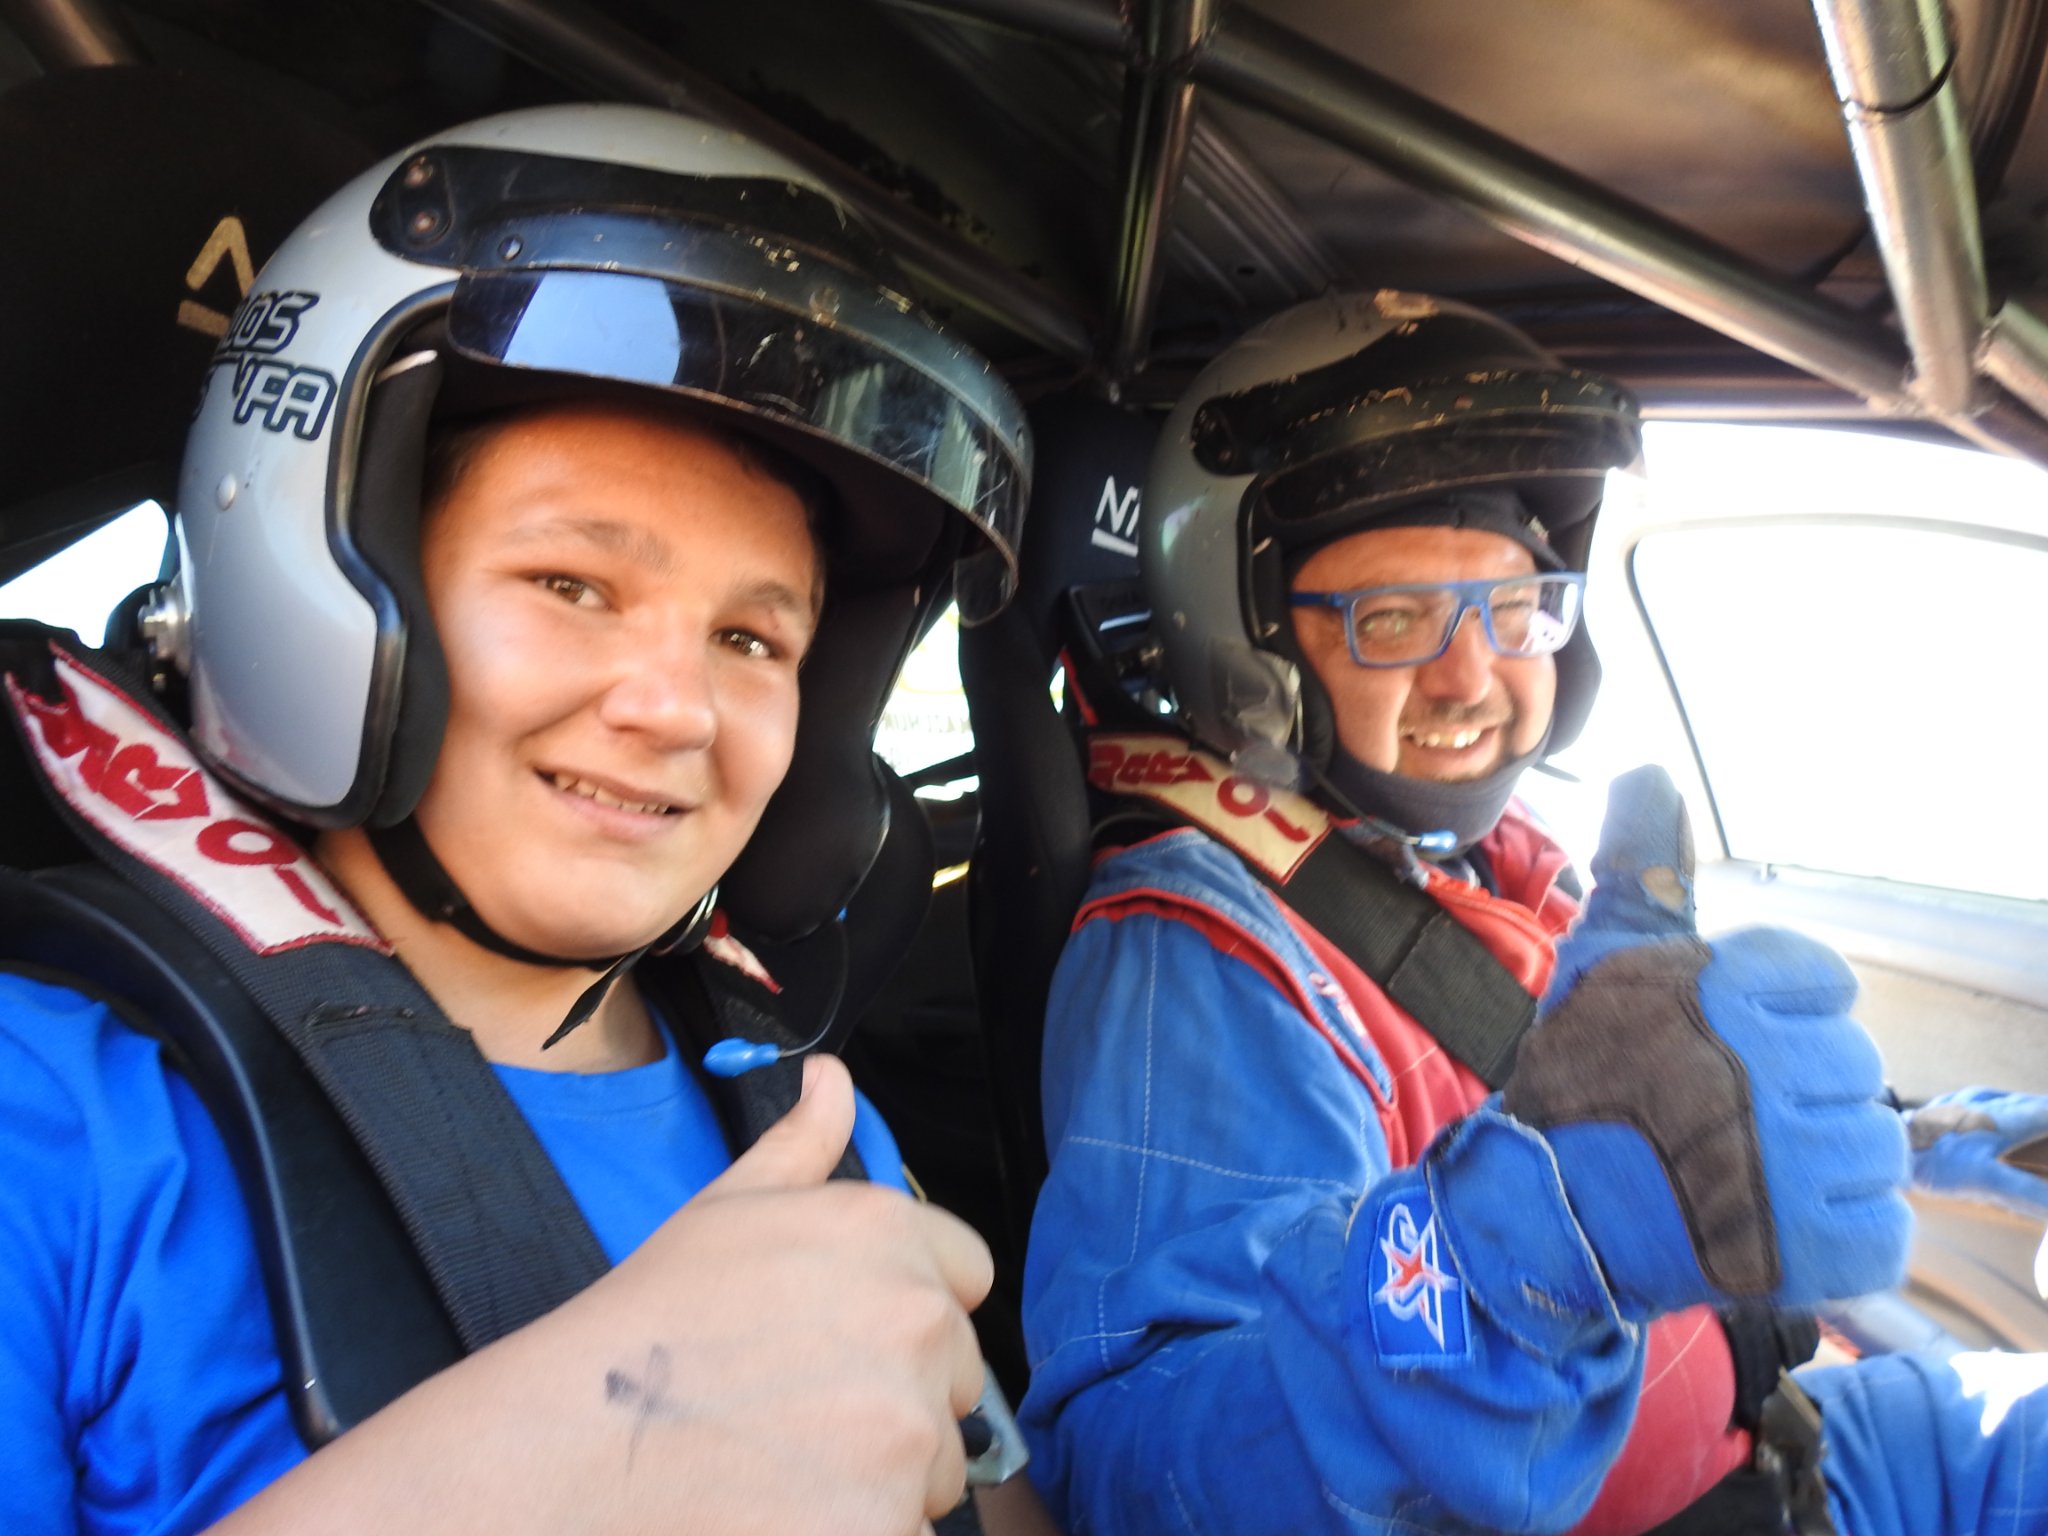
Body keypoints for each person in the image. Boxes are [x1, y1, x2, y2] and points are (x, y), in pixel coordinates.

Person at [0, 103, 1038, 1535]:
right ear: (335, 587)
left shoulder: (807, 1121)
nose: (676, 709)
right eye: (572, 586)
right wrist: (569, 1468)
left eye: (750, 640)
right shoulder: (53, 1115)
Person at [1018, 290, 2048, 1535]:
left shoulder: (1503, 862)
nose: (1471, 677)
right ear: (1253, 648)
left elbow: (1675, 1118)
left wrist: (1943, 1137)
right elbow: (1141, 1472)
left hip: (1796, 1449)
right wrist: (1522, 1260)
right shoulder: (1203, 954)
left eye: (1511, 611)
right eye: (1392, 619)